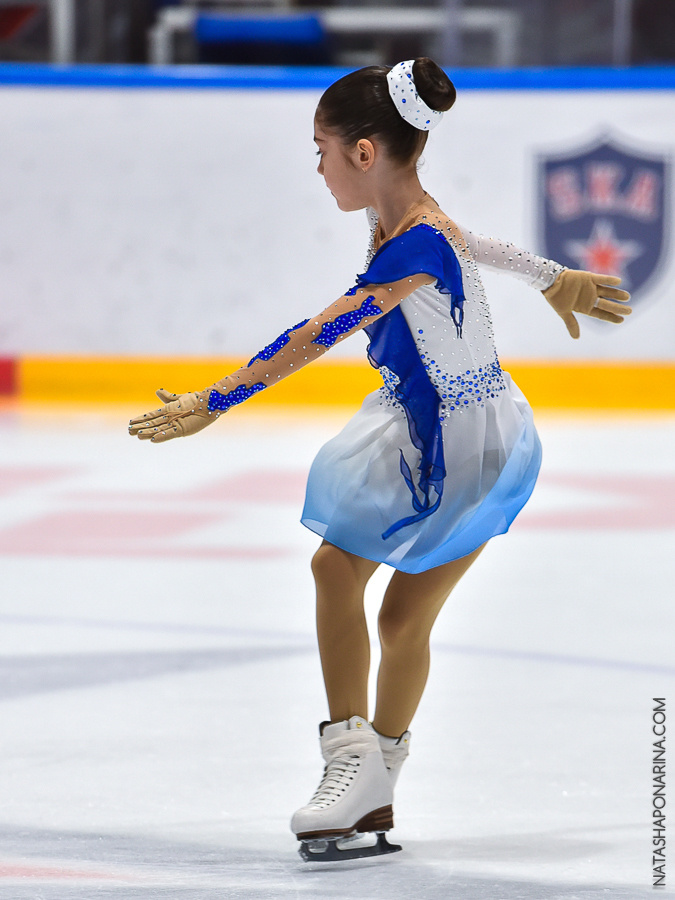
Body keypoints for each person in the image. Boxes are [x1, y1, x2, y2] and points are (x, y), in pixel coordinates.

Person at [129, 58, 631, 861]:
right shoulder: (409, 222)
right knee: (348, 579)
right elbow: (473, 242)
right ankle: (363, 770)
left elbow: (317, 331)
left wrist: (214, 401)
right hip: (414, 424)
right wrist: (549, 277)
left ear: (365, 153)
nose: (317, 165)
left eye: (322, 148)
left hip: (473, 446)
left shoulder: (414, 241)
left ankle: (366, 768)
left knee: (394, 613)